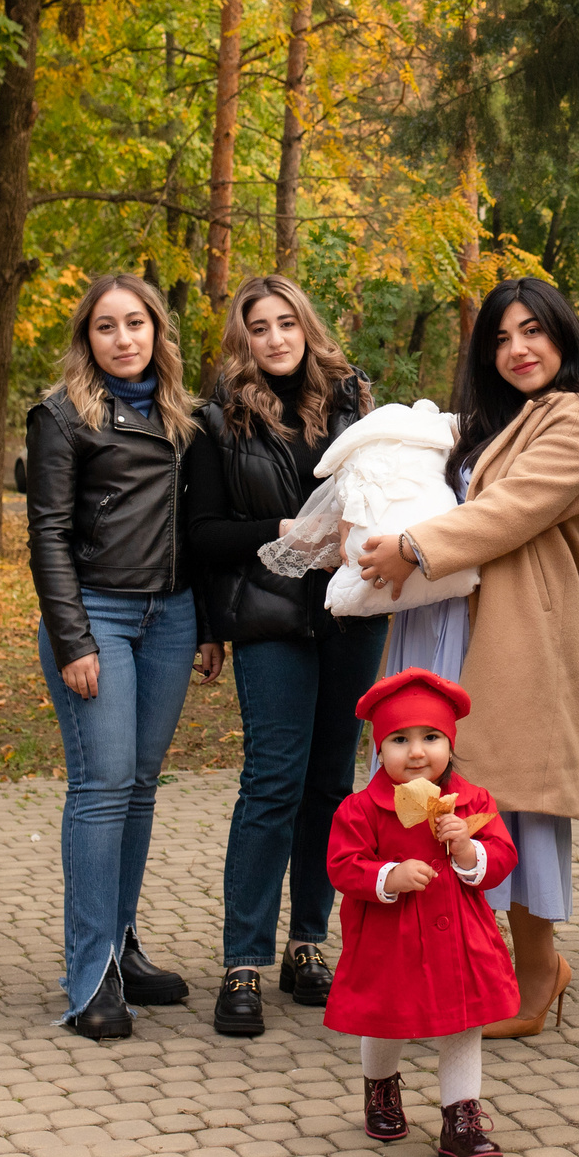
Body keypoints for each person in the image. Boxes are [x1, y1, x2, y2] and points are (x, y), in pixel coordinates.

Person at [349, 277, 579, 1038]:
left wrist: (413, 547)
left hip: (519, 633)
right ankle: (467, 964)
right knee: (446, 799)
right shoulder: (505, 421)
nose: (518, 349)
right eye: (501, 338)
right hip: (454, 619)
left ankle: (539, 974)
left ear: (564, 335)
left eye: (533, 331)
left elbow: (512, 510)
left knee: (517, 801)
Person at [188, 274, 387, 1036]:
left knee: (331, 784)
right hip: (269, 617)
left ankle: (309, 942)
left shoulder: (353, 406)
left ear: (306, 326)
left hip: (351, 616)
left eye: (285, 322)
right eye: (258, 327)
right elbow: (201, 532)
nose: (275, 337)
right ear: (242, 340)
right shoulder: (219, 421)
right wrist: (283, 527)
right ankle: (243, 959)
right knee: (273, 779)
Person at [24, 272, 221, 1042]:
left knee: (140, 787)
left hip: (169, 614)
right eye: (106, 327)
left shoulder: (184, 416)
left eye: (135, 323)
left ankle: (124, 944)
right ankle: (90, 976)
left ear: (157, 331)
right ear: (87, 338)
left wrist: (206, 622)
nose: (123, 338)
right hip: (97, 612)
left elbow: (193, 526)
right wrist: (73, 638)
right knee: (102, 787)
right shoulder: (63, 415)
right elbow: (46, 533)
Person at [324, 669, 520, 1157]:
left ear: (449, 744)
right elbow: (343, 866)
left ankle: (461, 1118)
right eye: (400, 739)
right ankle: (381, 1088)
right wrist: (389, 875)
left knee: (463, 1023)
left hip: (460, 939)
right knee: (386, 1020)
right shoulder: (360, 809)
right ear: (378, 748)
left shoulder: (473, 802)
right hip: (389, 938)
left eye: (431, 737)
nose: (416, 752)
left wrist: (465, 845)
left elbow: (500, 859)